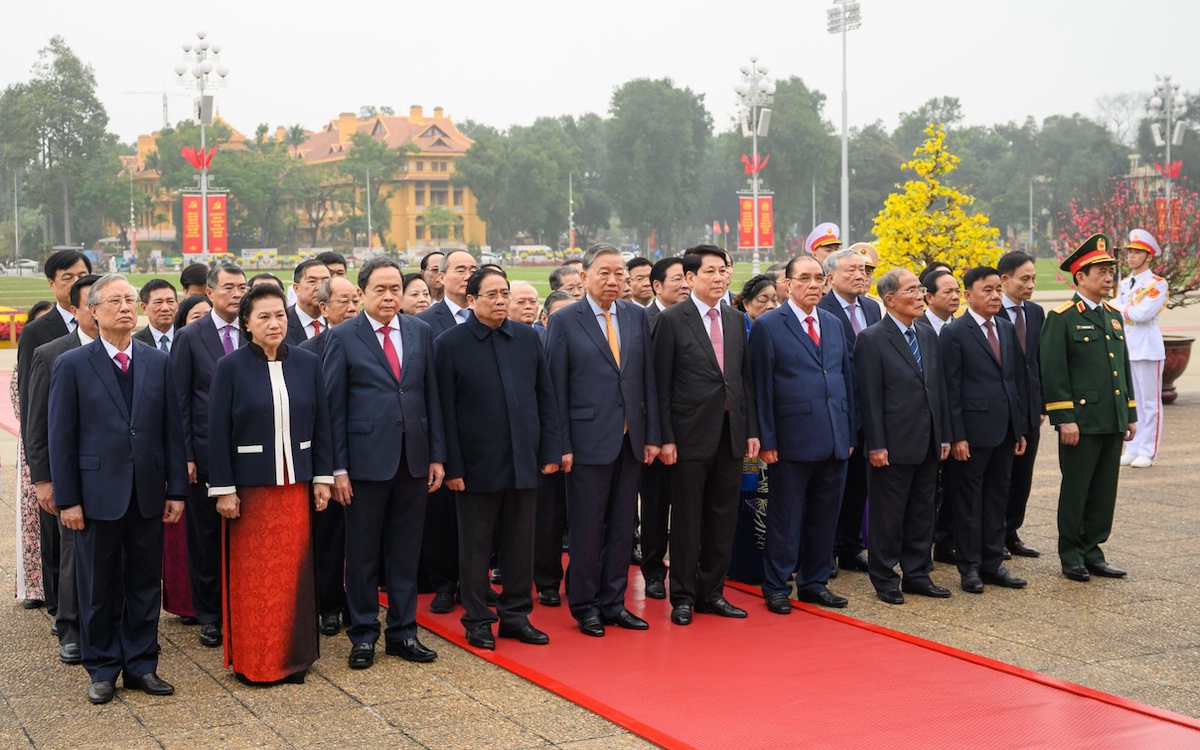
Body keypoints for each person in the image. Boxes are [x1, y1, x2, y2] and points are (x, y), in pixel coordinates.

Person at [48, 273, 188, 704]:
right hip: (94, 497)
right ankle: (103, 667)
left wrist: (176, 491)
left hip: (146, 492)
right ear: (93, 311)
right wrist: (68, 499)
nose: (126, 307)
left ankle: (143, 664)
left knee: (145, 583)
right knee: (98, 587)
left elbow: (172, 431)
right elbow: (60, 437)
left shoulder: (157, 362)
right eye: (116, 301)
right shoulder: (72, 364)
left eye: (131, 300)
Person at [323, 257, 445, 669]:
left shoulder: (420, 330)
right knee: (361, 554)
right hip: (364, 465)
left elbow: (431, 398)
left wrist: (437, 456)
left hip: (413, 460)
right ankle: (362, 634)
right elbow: (332, 409)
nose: (390, 295)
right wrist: (337, 468)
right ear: (362, 293)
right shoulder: (342, 337)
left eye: (396, 288)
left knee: (406, 552)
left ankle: (403, 632)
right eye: (381, 289)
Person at [208, 283, 333, 684]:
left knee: (293, 577)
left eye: (280, 314)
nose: (274, 323)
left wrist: (322, 479)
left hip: (295, 487)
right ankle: (257, 661)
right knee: (255, 581)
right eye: (263, 316)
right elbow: (217, 432)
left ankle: (294, 659)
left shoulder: (307, 363)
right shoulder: (230, 368)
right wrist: (224, 488)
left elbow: (322, 425)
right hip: (251, 491)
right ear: (246, 323)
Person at [434, 269, 562, 649]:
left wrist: (550, 450)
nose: (501, 301)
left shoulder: (525, 339)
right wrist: (453, 467)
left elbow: (545, 398)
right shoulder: (449, 344)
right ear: (471, 300)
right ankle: (477, 619)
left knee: (520, 543)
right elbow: (445, 412)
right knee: (475, 547)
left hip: (523, 460)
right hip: (475, 466)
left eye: (504, 293)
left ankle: (516, 615)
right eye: (491, 295)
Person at [546, 243, 660, 637]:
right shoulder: (565, 321)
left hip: (630, 441)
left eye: (619, 274)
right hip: (585, 442)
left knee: (623, 527)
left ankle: (614, 603)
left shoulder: (634, 316)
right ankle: (585, 605)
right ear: (584, 276)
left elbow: (647, 381)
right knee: (587, 528)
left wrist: (651, 436)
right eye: (604, 273)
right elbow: (554, 388)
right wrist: (560, 444)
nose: (613, 281)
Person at [652, 246, 758, 625]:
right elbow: (661, 385)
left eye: (723, 271)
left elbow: (744, 379)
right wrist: (665, 437)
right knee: (686, 519)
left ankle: (712, 593)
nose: (718, 278)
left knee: (722, 518)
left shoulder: (734, 318)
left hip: (731, 434)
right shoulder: (673, 320)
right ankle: (681, 596)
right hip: (687, 436)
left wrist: (751, 431)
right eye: (709, 271)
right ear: (691, 277)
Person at [751, 256, 854, 612]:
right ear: (788, 283)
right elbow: (761, 388)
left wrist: (850, 430)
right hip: (791, 440)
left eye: (818, 279)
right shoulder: (769, 325)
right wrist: (767, 440)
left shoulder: (833, 323)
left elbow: (845, 379)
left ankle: (815, 581)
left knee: (826, 515)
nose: (813, 285)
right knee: (786, 515)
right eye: (804, 278)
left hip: (834, 435)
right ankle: (777, 584)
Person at [854, 268, 953, 605]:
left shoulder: (926, 334)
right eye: (912, 290)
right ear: (890, 299)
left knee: (923, 511)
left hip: (926, 440)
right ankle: (883, 577)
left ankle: (917, 573)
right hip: (892, 444)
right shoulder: (872, 338)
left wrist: (943, 437)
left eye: (922, 289)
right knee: (888, 513)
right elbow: (870, 397)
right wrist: (876, 444)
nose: (920, 295)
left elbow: (936, 389)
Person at [1041, 234, 1136, 583]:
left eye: (1111, 271)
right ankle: (1072, 554)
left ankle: (1094, 550)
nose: (1109, 277)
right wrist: (1064, 419)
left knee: (1103, 490)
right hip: (1081, 421)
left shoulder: (1113, 316)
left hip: (1110, 418)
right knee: (1077, 488)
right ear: (1081, 277)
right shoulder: (1062, 318)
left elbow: (1122, 368)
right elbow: (1054, 372)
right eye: (1102, 271)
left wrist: (1130, 413)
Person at [25, 275, 101, 663]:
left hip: (115, 476)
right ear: (76, 310)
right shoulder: (53, 353)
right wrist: (43, 480)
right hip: (70, 475)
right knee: (73, 553)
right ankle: (70, 628)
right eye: (93, 302)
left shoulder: (134, 350)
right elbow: (37, 425)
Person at [172, 263, 248, 648]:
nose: (237, 294)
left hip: (252, 452)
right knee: (205, 536)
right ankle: (210, 615)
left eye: (242, 287)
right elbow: (180, 401)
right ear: (210, 292)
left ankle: (242, 608)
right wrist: (185, 454)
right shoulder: (190, 336)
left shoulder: (255, 327)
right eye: (229, 287)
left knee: (246, 533)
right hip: (204, 451)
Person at [940, 266, 1028, 594]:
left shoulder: (1005, 329)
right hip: (972, 434)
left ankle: (993, 563)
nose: (994, 296)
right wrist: (957, 435)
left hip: (1004, 431)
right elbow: (951, 387)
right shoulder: (955, 332)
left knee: (996, 499)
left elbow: (1014, 382)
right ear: (968, 295)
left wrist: (1018, 430)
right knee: (968, 503)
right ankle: (969, 567)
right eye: (986, 290)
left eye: (997, 290)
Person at [16, 249, 92, 615]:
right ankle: (60, 610)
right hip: (55, 446)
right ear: (52, 283)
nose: (78, 282)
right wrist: (39, 466)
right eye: (69, 277)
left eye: (83, 275)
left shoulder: (104, 322)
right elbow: (33, 400)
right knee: (55, 534)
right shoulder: (38, 332)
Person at [300, 274, 360, 636]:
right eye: (344, 302)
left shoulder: (371, 343)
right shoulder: (309, 352)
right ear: (323, 309)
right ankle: (329, 605)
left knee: (364, 538)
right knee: (329, 536)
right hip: (327, 460)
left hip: (369, 457)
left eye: (356, 300)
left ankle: (359, 603)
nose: (352, 308)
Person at [818, 248, 880, 575]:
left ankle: (850, 547)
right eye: (851, 271)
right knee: (832, 487)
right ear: (830, 278)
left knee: (860, 484)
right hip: (837, 409)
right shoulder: (822, 309)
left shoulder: (872, 308)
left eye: (863, 270)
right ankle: (824, 551)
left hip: (868, 409)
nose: (860, 276)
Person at [726, 275, 778, 585]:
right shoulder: (737, 332)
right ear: (746, 304)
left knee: (766, 499)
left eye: (775, 299)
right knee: (743, 498)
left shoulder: (777, 331)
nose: (771, 305)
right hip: (743, 433)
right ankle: (741, 564)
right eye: (763, 300)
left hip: (768, 432)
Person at [997, 252, 1045, 558]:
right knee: (1002, 475)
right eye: (1024, 278)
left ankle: (1012, 530)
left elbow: (1039, 362)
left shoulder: (1037, 313)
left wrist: (1042, 406)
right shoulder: (990, 313)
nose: (1030, 285)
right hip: (1002, 411)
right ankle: (994, 534)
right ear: (1005, 280)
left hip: (1030, 409)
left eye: (1033, 279)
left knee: (1023, 475)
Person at [532, 290, 577, 606]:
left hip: (586, 443)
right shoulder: (533, 345)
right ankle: (547, 581)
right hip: (547, 446)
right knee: (547, 519)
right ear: (545, 318)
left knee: (585, 518)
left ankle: (580, 579)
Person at [917, 269, 961, 563]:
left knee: (954, 488)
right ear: (928, 297)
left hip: (952, 420)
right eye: (948, 292)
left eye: (958, 290)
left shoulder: (960, 329)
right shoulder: (917, 327)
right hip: (919, 425)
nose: (955, 296)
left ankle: (947, 542)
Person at [12, 300, 52, 609]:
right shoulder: (31, 359)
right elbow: (22, 405)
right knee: (33, 526)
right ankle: (35, 586)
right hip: (34, 449)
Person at [1115, 229, 1167, 468]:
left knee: (1149, 402)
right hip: (1127, 346)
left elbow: (1142, 313)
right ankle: (1133, 447)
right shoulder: (1125, 283)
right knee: (1131, 401)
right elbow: (1124, 309)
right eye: (1130, 252)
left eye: (1137, 253)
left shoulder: (1157, 284)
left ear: (1148, 256)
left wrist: (1121, 309)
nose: (1131, 256)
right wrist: (1124, 309)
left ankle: (1148, 449)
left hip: (1147, 347)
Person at [286, 259, 332, 345]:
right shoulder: (283, 323)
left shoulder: (338, 320)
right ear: (296, 288)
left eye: (325, 281)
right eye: (312, 281)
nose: (319, 287)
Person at [134, 279, 179, 352]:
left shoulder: (188, 338)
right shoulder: (135, 344)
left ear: (177, 304)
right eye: (158, 302)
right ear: (144, 308)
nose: (165, 308)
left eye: (170, 302)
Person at [646, 257, 689, 324]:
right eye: (677, 279)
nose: (686, 285)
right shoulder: (642, 320)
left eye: (688, 279)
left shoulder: (697, 317)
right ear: (657, 286)